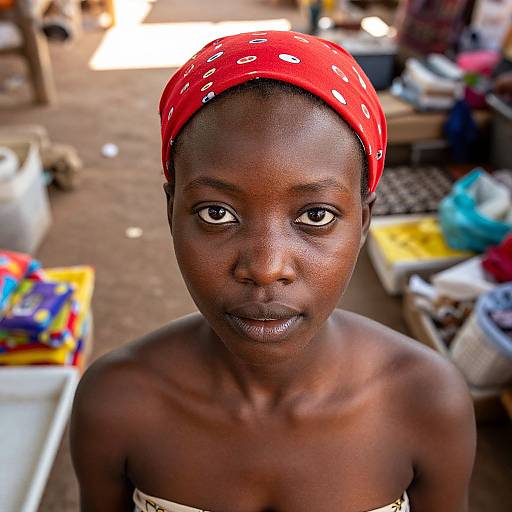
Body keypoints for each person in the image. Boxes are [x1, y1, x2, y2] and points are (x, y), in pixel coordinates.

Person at [70, 31, 476, 512]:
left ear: (364, 220)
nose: (265, 268)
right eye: (216, 213)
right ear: (171, 209)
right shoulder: (116, 405)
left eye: (316, 216)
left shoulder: (426, 402)